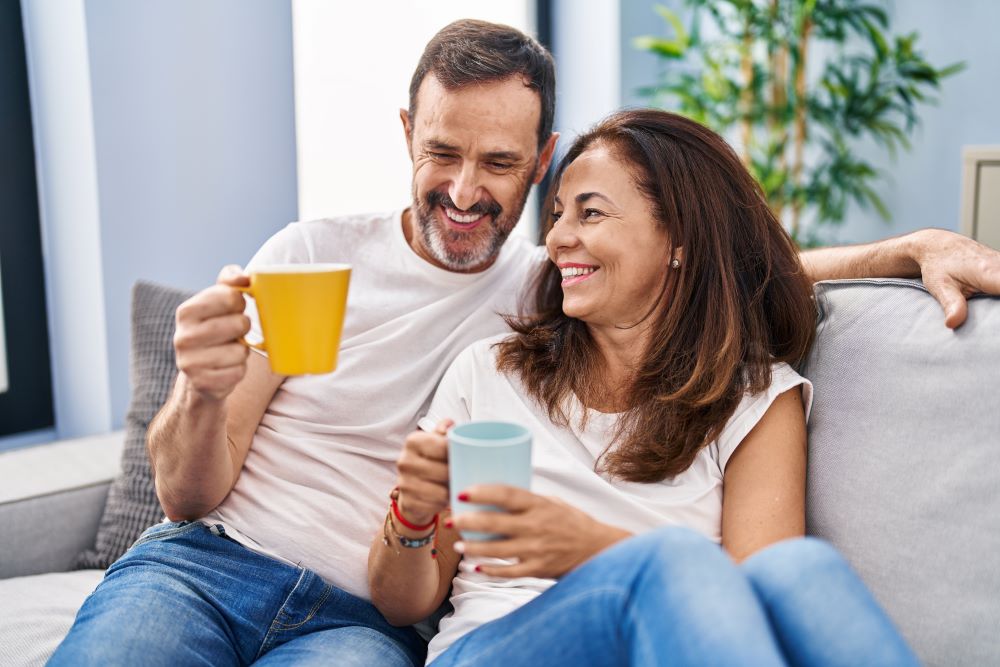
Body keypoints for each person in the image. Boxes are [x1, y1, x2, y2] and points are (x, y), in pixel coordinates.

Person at [50, 18, 1000, 667]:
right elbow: (190, 494)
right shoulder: (331, 266)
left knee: (786, 568)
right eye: (442, 154)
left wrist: (910, 246)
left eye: (501, 165)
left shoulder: (546, 284)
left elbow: (734, 257)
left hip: (360, 624)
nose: (466, 192)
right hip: (217, 560)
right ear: (406, 135)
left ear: (537, 161)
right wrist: (203, 389)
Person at [368, 108, 919, 666]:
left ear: (678, 238)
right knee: (672, 560)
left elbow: (758, 607)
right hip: (496, 649)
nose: (558, 238)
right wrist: (412, 514)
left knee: (802, 570)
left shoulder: (754, 397)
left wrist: (586, 545)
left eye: (591, 214)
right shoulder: (489, 372)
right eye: (558, 214)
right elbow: (399, 604)